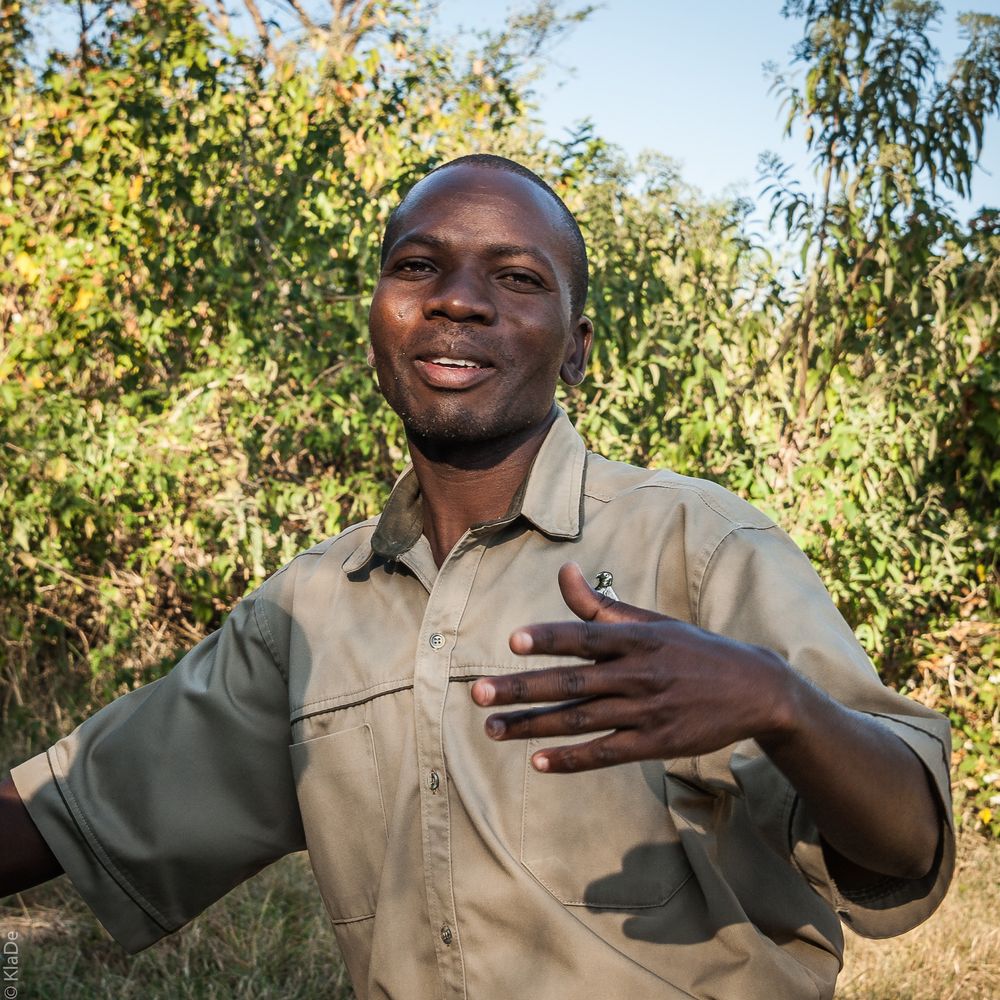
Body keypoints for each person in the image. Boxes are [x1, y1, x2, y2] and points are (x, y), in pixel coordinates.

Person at [1, 155, 953, 1000]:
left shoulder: (698, 542)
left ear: (577, 347)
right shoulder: (309, 608)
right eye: (418, 266)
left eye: (518, 277)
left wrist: (779, 703)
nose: (457, 299)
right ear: (378, 319)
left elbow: (907, 843)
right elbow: (68, 811)